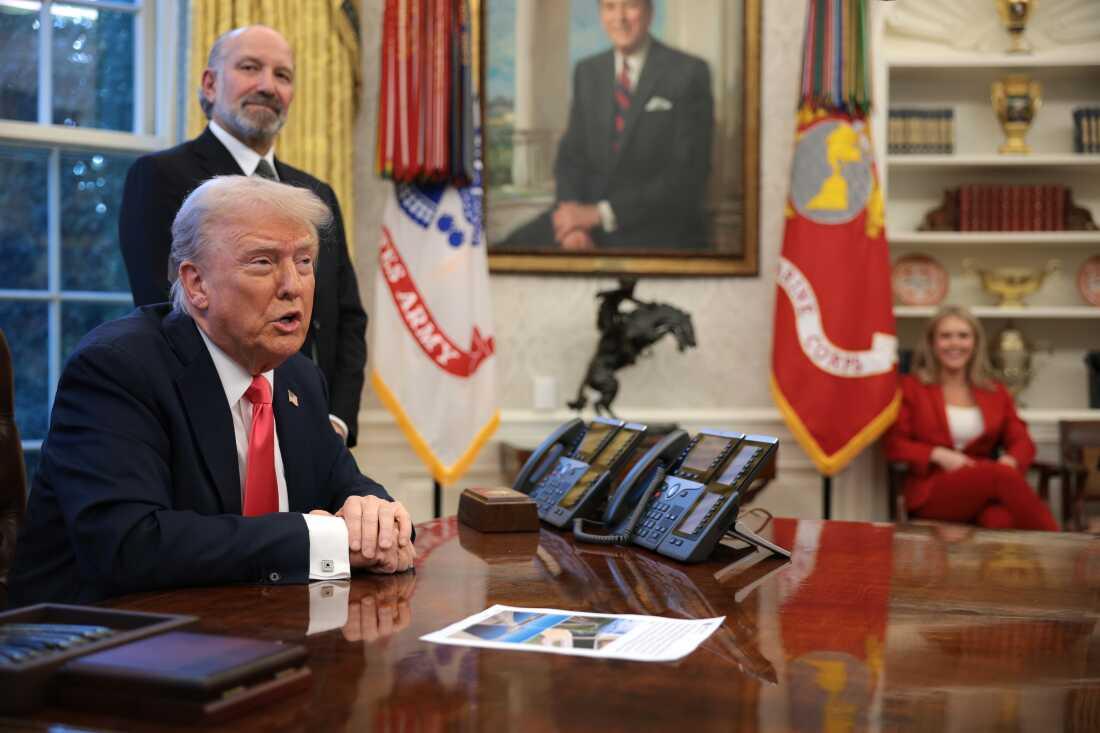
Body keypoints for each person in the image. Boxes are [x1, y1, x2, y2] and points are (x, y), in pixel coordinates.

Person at [8, 176, 414, 607]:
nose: (292, 285)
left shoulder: (300, 378)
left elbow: (348, 486)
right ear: (196, 284)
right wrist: (324, 538)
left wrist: (379, 517)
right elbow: (130, 545)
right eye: (262, 262)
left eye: (304, 261)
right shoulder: (118, 368)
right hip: (91, 646)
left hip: (252, 636)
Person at [118, 25, 368, 447]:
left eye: (283, 75)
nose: (268, 85)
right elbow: (163, 307)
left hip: (312, 432)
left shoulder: (316, 194)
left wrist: (336, 421)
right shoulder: (161, 177)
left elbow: (346, 317)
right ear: (211, 83)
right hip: (207, 429)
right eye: (250, 67)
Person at [499, 0, 713, 251]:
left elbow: (687, 176)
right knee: (501, 252)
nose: (619, 18)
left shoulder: (688, 72)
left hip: (654, 228)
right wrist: (574, 225)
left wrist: (600, 214)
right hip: (584, 222)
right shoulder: (588, 72)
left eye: (630, 6)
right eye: (610, 7)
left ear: (649, 12)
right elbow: (570, 159)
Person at [883, 305, 1058, 530]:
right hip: (932, 489)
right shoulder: (911, 387)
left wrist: (1011, 460)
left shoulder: (995, 391)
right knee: (998, 476)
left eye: (963, 336)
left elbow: (1022, 440)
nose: (955, 343)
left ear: (975, 343)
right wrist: (939, 455)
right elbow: (894, 445)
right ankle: (1066, 550)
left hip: (984, 487)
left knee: (999, 519)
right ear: (932, 343)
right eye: (945, 336)